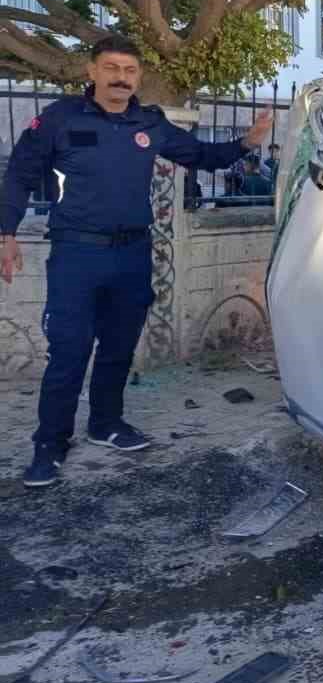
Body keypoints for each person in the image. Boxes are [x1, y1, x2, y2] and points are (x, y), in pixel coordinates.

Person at [0, 34, 272, 488]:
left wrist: (246, 142)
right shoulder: (60, 118)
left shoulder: (150, 122)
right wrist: (6, 232)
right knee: (68, 351)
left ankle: (106, 424)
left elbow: (201, 156)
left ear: (138, 76)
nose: (120, 78)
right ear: (92, 72)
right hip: (77, 253)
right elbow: (21, 173)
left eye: (128, 71)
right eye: (110, 68)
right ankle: (50, 444)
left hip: (132, 252)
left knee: (119, 347)